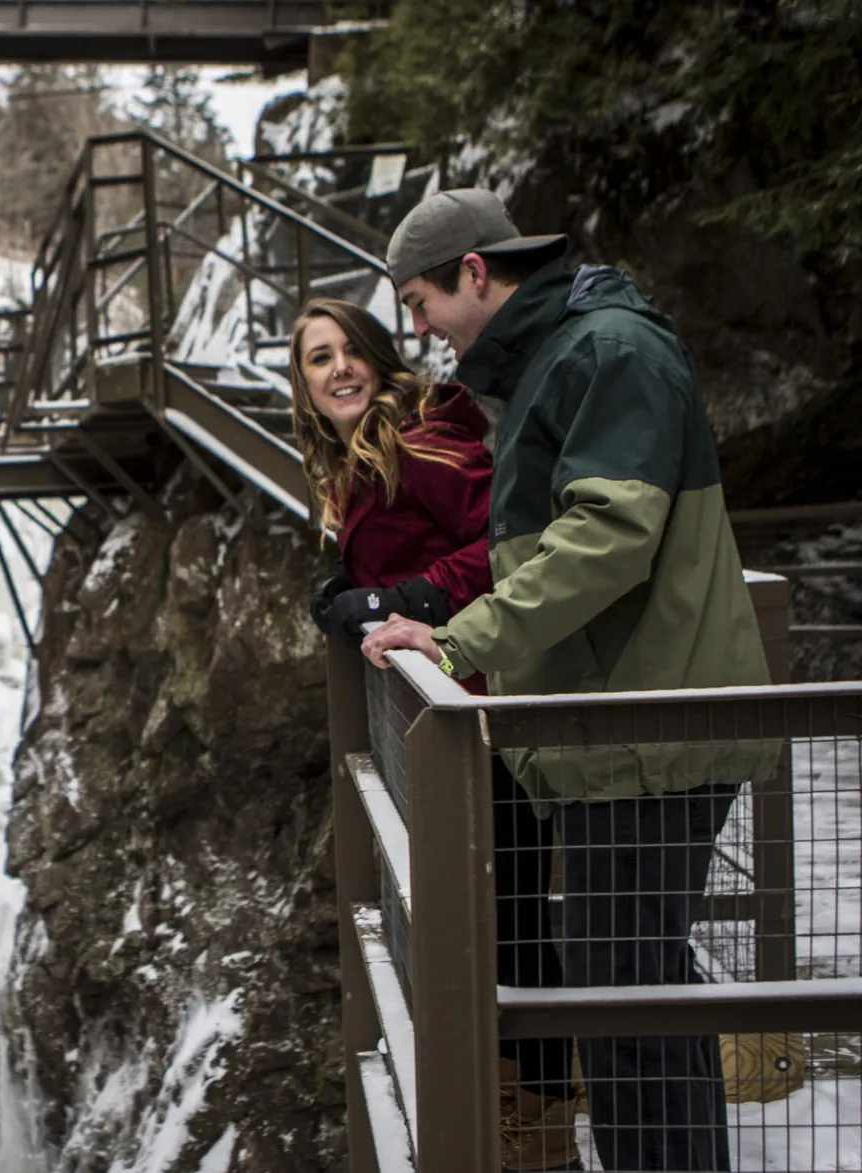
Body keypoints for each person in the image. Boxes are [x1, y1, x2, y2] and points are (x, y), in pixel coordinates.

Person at [363, 189, 772, 1172]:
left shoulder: (605, 354)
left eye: (419, 301)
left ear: (475, 272)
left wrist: (460, 642)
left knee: (622, 997)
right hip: (619, 725)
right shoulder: (569, 356)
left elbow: (606, 540)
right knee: (635, 991)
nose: (415, 329)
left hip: (640, 732)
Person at [291, 299, 578, 1172]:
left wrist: (395, 599)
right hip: (454, 712)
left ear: (378, 359)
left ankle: (541, 1129)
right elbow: (407, 541)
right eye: (317, 358)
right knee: (496, 916)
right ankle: (518, 1112)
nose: (339, 368)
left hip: (486, 707)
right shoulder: (364, 452)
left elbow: (504, 541)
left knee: (513, 917)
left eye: (350, 351)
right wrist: (347, 581)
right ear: (301, 385)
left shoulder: (417, 435)